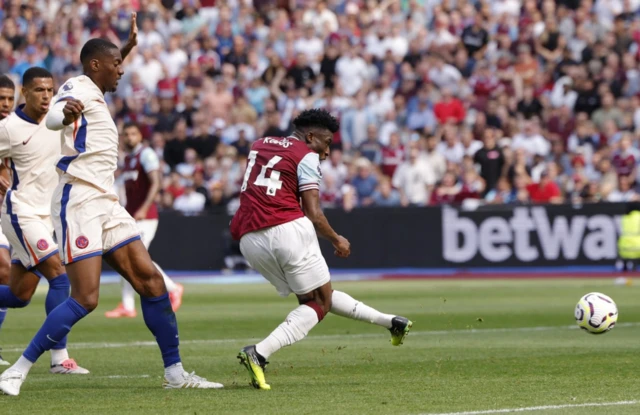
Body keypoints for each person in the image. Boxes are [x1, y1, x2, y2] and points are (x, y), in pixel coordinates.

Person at [0, 15, 222, 396]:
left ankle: (175, 373)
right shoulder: (76, 88)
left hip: (106, 201)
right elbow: (58, 113)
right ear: (96, 66)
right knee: (84, 297)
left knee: (152, 282)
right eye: (117, 64)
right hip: (79, 200)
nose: (122, 70)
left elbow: (103, 69)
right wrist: (61, 114)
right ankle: (17, 370)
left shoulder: (96, 88)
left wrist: (128, 46)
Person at [231, 109, 412, 390]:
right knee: (317, 303)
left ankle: (391, 323)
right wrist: (336, 239)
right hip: (285, 229)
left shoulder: (260, 143)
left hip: (247, 237)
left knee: (319, 296)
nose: (327, 152)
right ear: (310, 136)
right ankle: (259, 353)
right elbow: (313, 214)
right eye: (326, 143)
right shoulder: (306, 155)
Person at [0, 67, 89, 375]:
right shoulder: (8, 128)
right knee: (60, 277)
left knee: (18, 296)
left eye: (50, 90)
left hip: (48, 216)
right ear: (24, 93)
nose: (46, 96)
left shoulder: (58, 121)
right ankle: (58, 358)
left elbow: (99, 78)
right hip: (21, 212)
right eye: (39, 90)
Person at [105, 122, 184, 318]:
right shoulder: (129, 159)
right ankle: (128, 305)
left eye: (133, 133)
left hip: (146, 216)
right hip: (131, 215)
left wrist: (144, 208)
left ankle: (173, 289)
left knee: (138, 258)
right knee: (125, 257)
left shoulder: (146, 155)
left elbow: (156, 183)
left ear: (140, 136)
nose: (129, 137)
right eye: (126, 134)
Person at [0, 76, 16, 365]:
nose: (5, 104)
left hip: (9, 211)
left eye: (9, 99)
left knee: (5, 274)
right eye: (0, 98)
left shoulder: (18, 128)